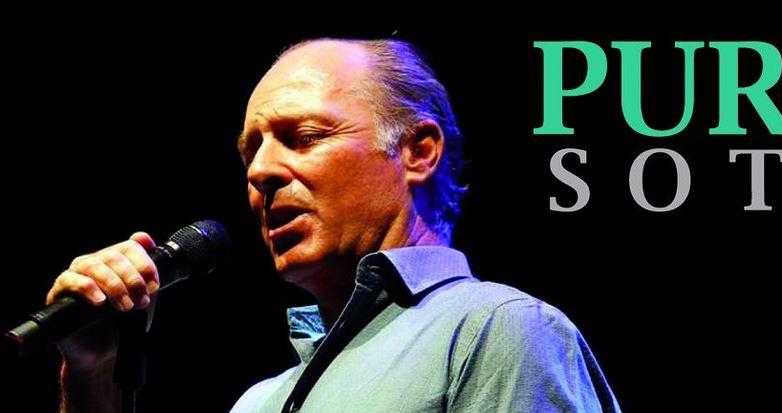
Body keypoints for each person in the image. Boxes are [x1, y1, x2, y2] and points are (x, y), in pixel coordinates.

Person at [46, 38, 622, 412]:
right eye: (251, 152)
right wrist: (93, 372)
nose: (262, 171)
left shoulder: (497, 331)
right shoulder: (258, 402)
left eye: (304, 137)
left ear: (418, 152)